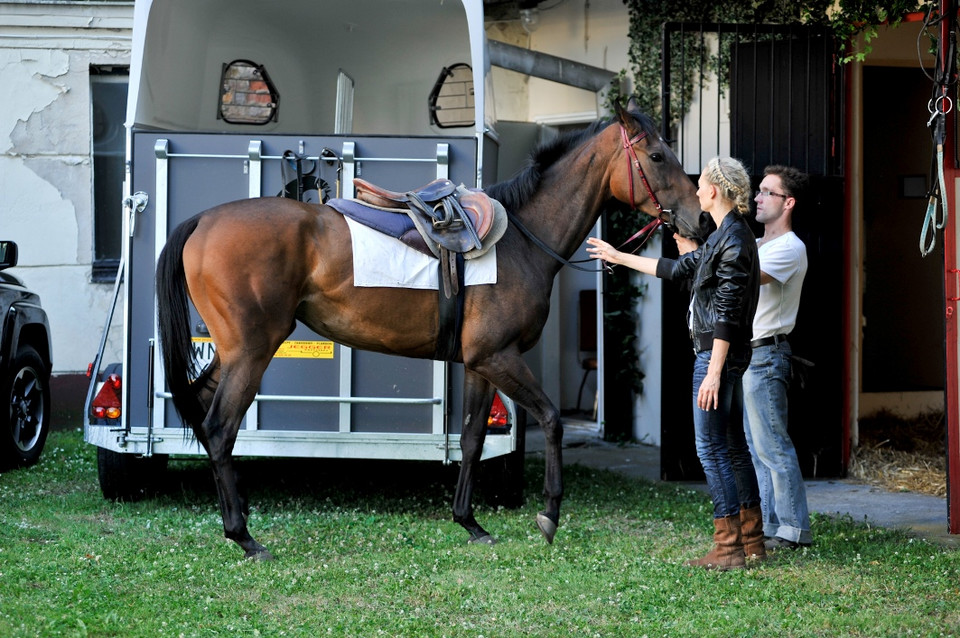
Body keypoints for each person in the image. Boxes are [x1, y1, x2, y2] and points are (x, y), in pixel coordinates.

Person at [587, 156, 762, 570]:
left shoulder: (733, 240)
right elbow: (678, 267)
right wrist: (618, 255)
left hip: (717, 357)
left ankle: (728, 548)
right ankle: (752, 540)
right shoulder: (728, 237)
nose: (695, 190)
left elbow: (727, 313)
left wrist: (714, 370)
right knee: (734, 447)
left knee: (712, 449)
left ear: (715, 190)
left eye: (700, 183)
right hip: (726, 356)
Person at [744, 165, 812, 550]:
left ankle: (794, 530)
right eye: (759, 190)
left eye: (767, 192)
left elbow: (748, 277)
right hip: (749, 357)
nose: (758, 197)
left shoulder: (790, 248)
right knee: (757, 448)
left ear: (788, 202)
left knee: (773, 447)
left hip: (767, 356)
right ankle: (772, 526)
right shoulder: (756, 245)